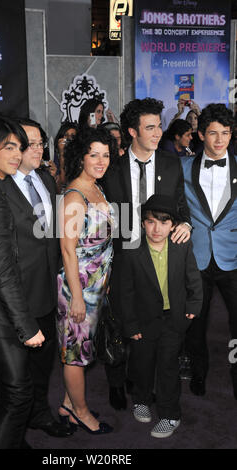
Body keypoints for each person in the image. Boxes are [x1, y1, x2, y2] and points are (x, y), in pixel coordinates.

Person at [0, 118, 71, 446]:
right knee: (0, 386)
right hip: (3, 307)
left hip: (39, 293)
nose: (24, 152)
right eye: (15, 146)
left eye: (28, 145)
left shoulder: (45, 180)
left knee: (28, 380)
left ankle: (19, 432)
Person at [100, 97, 192, 411]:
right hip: (124, 257)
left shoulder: (170, 163)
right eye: (150, 127)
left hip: (157, 259)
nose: (157, 133)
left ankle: (143, 383)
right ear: (132, 131)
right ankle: (116, 382)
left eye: (159, 126)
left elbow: (180, 206)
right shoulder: (111, 170)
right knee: (119, 321)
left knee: (150, 325)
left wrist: (186, 224)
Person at [120, 194, 202, 438]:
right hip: (143, 321)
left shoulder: (181, 247)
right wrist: (130, 323)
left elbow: (193, 278)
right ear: (143, 223)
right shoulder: (132, 251)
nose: (157, 229)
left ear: (173, 225)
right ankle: (141, 399)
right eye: (151, 222)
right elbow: (125, 292)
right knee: (142, 363)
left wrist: (193, 306)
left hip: (174, 319)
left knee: (167, 367)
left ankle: (170, 414)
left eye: (164, 223)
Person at [57, 127, 116, 434]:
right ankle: (81, 412)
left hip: (96, 286)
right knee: (75, 354)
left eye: (105, 154)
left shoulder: (96, 187)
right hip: (77, 288)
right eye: (93, 154)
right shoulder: (75, 196)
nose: (100, 160)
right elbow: (67, 250)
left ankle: (67, 404)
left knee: (81, 350)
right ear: (81, 156)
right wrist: (77, 297)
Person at [181, 103, 237, 398]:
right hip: (196, 257)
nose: (219, 140)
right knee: (196, 322)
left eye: (225, 133)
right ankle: (198, 372)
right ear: (201, 134)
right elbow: (175, 207)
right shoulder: (182, 167)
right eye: (213, 133)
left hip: (234, 257)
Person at [54, 121, 78, 191]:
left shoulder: (79, 157)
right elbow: (62, 181)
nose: (68, 139)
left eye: (72, 136)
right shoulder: (53, 155)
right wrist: (61, 152)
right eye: (66, 135)